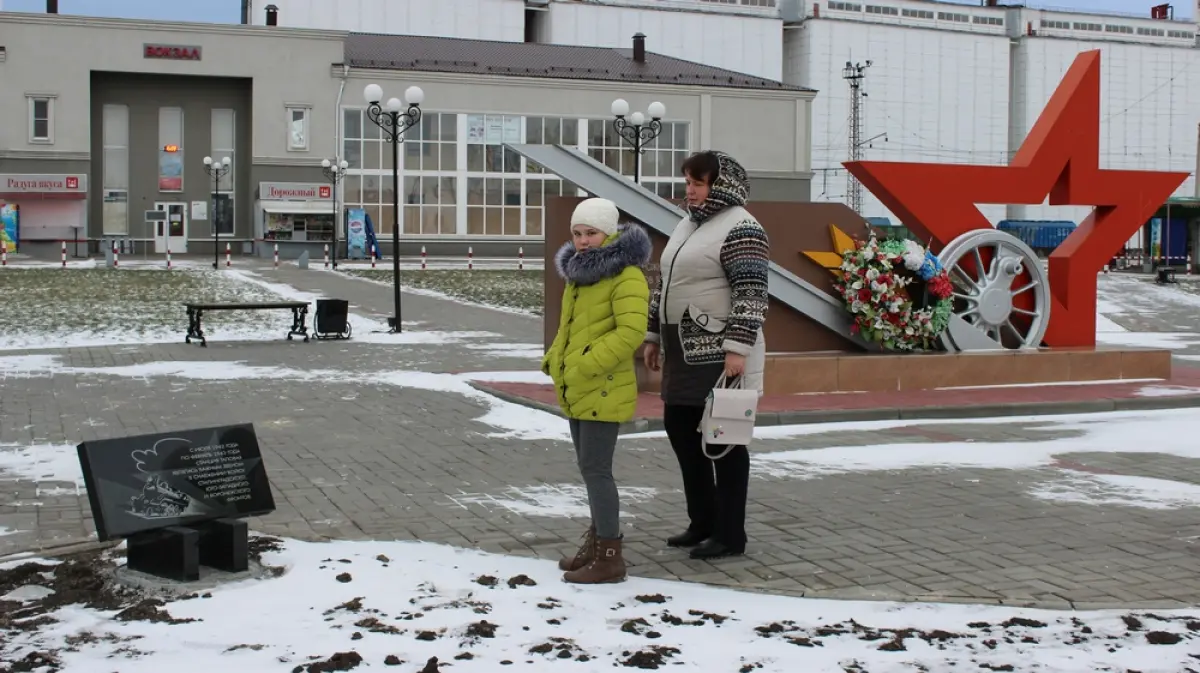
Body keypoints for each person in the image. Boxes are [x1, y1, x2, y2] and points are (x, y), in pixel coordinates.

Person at [642, 150, 769, 560]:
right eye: (688, 183)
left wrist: (737, 349)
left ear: (722, 184)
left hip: (719, 354)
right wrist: (652, 336)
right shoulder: (687, 224)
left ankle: (730, 534)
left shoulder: (742, 227)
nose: (690, 191)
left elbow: (751, 291)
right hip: (681, 350)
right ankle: (702, 522)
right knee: (681, 432)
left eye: (698, 183)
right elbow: (664, 283)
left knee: (725, 443)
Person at [542, 197, 651, 584]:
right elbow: (568, 329)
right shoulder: (579, 276)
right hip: (577, 387)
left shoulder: (627, 277)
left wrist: (586, 362)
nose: (584, 240)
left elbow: (630, 332)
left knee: (597, 470)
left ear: (609, 233)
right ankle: (596, 543)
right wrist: (554, 359)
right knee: (589, 470)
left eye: (591, 232)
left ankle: (610, 556)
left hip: (603, 385)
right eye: (577, 233)